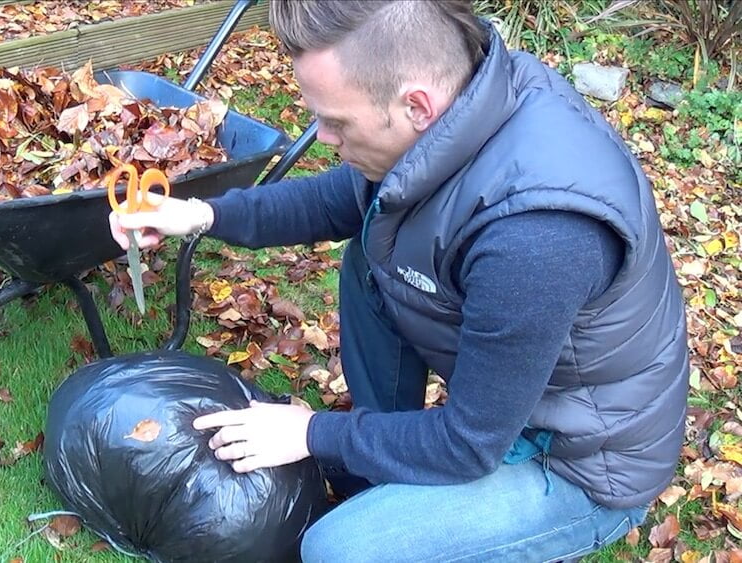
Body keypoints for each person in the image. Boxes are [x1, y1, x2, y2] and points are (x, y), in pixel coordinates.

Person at [108, 1, 689, 561]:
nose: (325, 138)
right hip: (512, 402)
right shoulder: (467, 101)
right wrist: (200, 215)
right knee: (371, 254)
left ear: (418, 106)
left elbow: (469, 444)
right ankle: (379, 464)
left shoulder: (536, 238)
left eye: (335, 122)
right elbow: (339, 199)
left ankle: (433, 491)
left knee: (341, 550)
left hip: (578, 462)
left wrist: (313, 433)